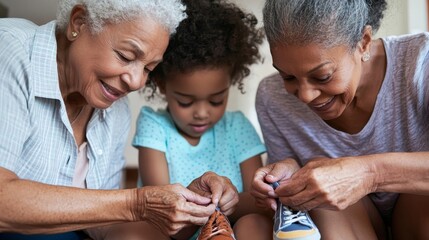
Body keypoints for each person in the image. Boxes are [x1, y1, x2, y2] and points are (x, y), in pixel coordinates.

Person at [0, 0, 240, 239]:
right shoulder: (11, 52)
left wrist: (189, 207)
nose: (136, 82)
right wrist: (136, 203)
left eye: (148, 69)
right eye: (125, 56)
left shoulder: (115, 109)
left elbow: (100, 222)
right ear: (78, 23)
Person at [251, 0, 429, 239]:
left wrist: (368, 174)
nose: (305, 95)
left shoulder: (421, 63)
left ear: (363, 42)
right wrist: (289, 174)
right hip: (349, 226)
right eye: (288, 77)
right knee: (317, 198)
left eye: (322, 76)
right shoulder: (272, 98)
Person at [132, 0, 271, 239]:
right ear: (162, 84)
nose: (202, 113)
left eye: (216, 100)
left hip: (232, 228)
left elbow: (259, 201)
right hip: (174, 230)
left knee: (255, 223)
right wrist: (209, 205)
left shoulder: (237, 127)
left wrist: (232, 202)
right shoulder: (154, 126)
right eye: (186, 102)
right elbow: (162, 207)